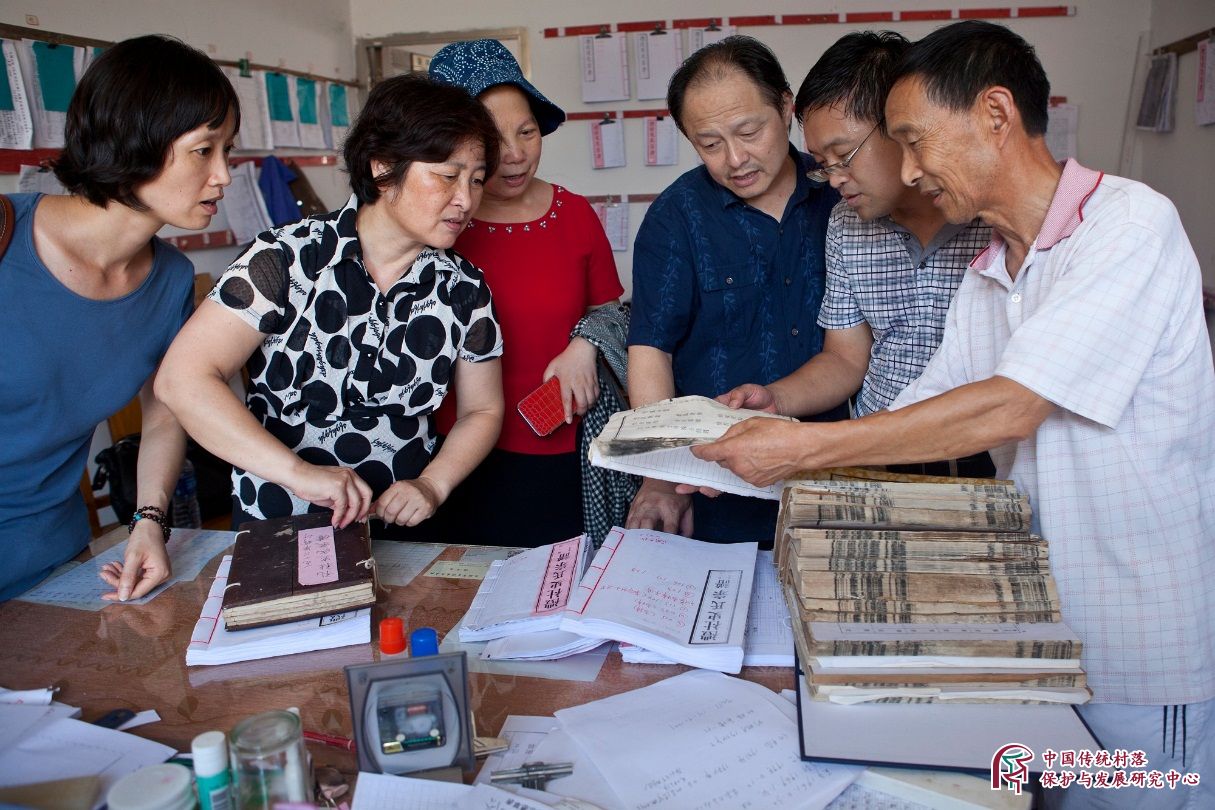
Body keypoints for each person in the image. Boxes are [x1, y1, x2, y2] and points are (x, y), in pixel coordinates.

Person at [693, 21, 1214, 806]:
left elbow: (1009, 407)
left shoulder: (1126, 226)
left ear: (994, 114)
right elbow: (919, 408)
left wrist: (797, 453)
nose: (907, 169)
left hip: (1141, 647)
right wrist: (758, 452)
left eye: (914, 141)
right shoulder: (991, 269)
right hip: (1043, 633)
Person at [157, 75, 505, 537]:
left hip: (402, 526)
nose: (465, 199)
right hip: (280, 526)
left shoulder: (463, 288)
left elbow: (482, 410)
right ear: (383, 167)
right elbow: (183, 380)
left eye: (476, 180)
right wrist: (299, 474)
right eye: (447, 176)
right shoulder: (286, 258)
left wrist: (432, 485)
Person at [0, 35, 238, 603]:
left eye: (227, 150)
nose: (224, 175)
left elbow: (165, 409)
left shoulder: (172, 278)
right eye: (203, 151)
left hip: (53, 561)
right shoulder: (8, 241)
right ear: (135, 139)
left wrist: (148, 521)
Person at [716, 32, 994, 477]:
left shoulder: (992, 219)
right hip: (873, 456)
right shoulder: (846, 224)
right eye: (822, 164)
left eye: (844, 156)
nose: (834, 178)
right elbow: (845, 358)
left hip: (983, 457)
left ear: (903, 127)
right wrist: (775, 400)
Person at [625, 35, 843, 547]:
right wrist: (661, 476)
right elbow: (651, 349)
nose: (736, 159)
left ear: (785, 108)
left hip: (834, 467)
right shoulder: (676, 217)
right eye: (710, 144)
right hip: (718, 482)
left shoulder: (841, 194)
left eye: (750, 132)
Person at [427, 39, 623, 546]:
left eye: (527, 132)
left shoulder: (574, 213)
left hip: (562, 448)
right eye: (493, 139)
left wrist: (584, 345)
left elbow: (611, 313)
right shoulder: (439, 226)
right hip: (452, 451)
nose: (515, 155)